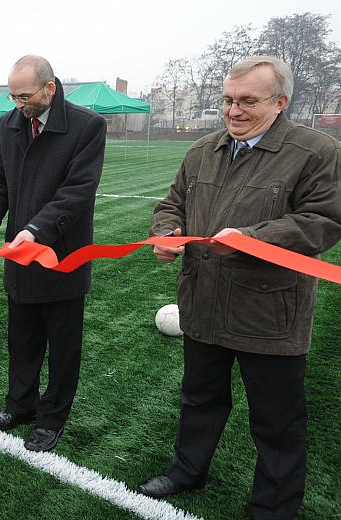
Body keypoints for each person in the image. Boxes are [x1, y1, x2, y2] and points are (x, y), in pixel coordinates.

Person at [138, 56, 341, 519]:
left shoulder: (315, 151)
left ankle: (273, 507)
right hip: (204, 302)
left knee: (277, 420)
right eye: (228, 100)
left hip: (268, 313)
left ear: (280, 102)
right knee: (199, 398)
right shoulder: (202, 151)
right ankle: (187, 470)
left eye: (248, 101)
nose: (234, 110)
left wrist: (254, 241)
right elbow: (171, 203)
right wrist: (166, 232)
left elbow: (324, 221)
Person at [0, 55, 106, 452]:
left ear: (50, 88)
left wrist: (37, 230)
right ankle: (20, 405)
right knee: (22, 339)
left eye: (25, 96)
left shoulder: (87, 126)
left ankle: (52, 418)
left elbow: (77, 193)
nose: (18, 103)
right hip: (20, 257)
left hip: (61, 258)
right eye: (12, 95)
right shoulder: (8, 123)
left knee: (63, 347)